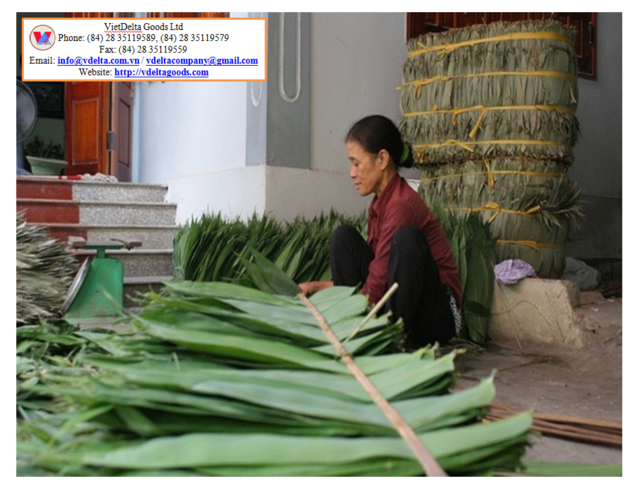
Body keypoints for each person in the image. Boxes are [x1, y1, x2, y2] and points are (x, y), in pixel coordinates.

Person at [299, 115, 462, 349]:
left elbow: (378, 281)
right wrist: (315, 287)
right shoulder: (380, 202)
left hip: (438, 317)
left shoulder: (401, 204)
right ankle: (358, 323)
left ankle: (389, 336)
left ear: (382, 159)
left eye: (356, 163)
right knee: (343, 238)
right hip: (404, 303)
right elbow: (377, 270)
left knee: (407, 239)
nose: (352, 173)